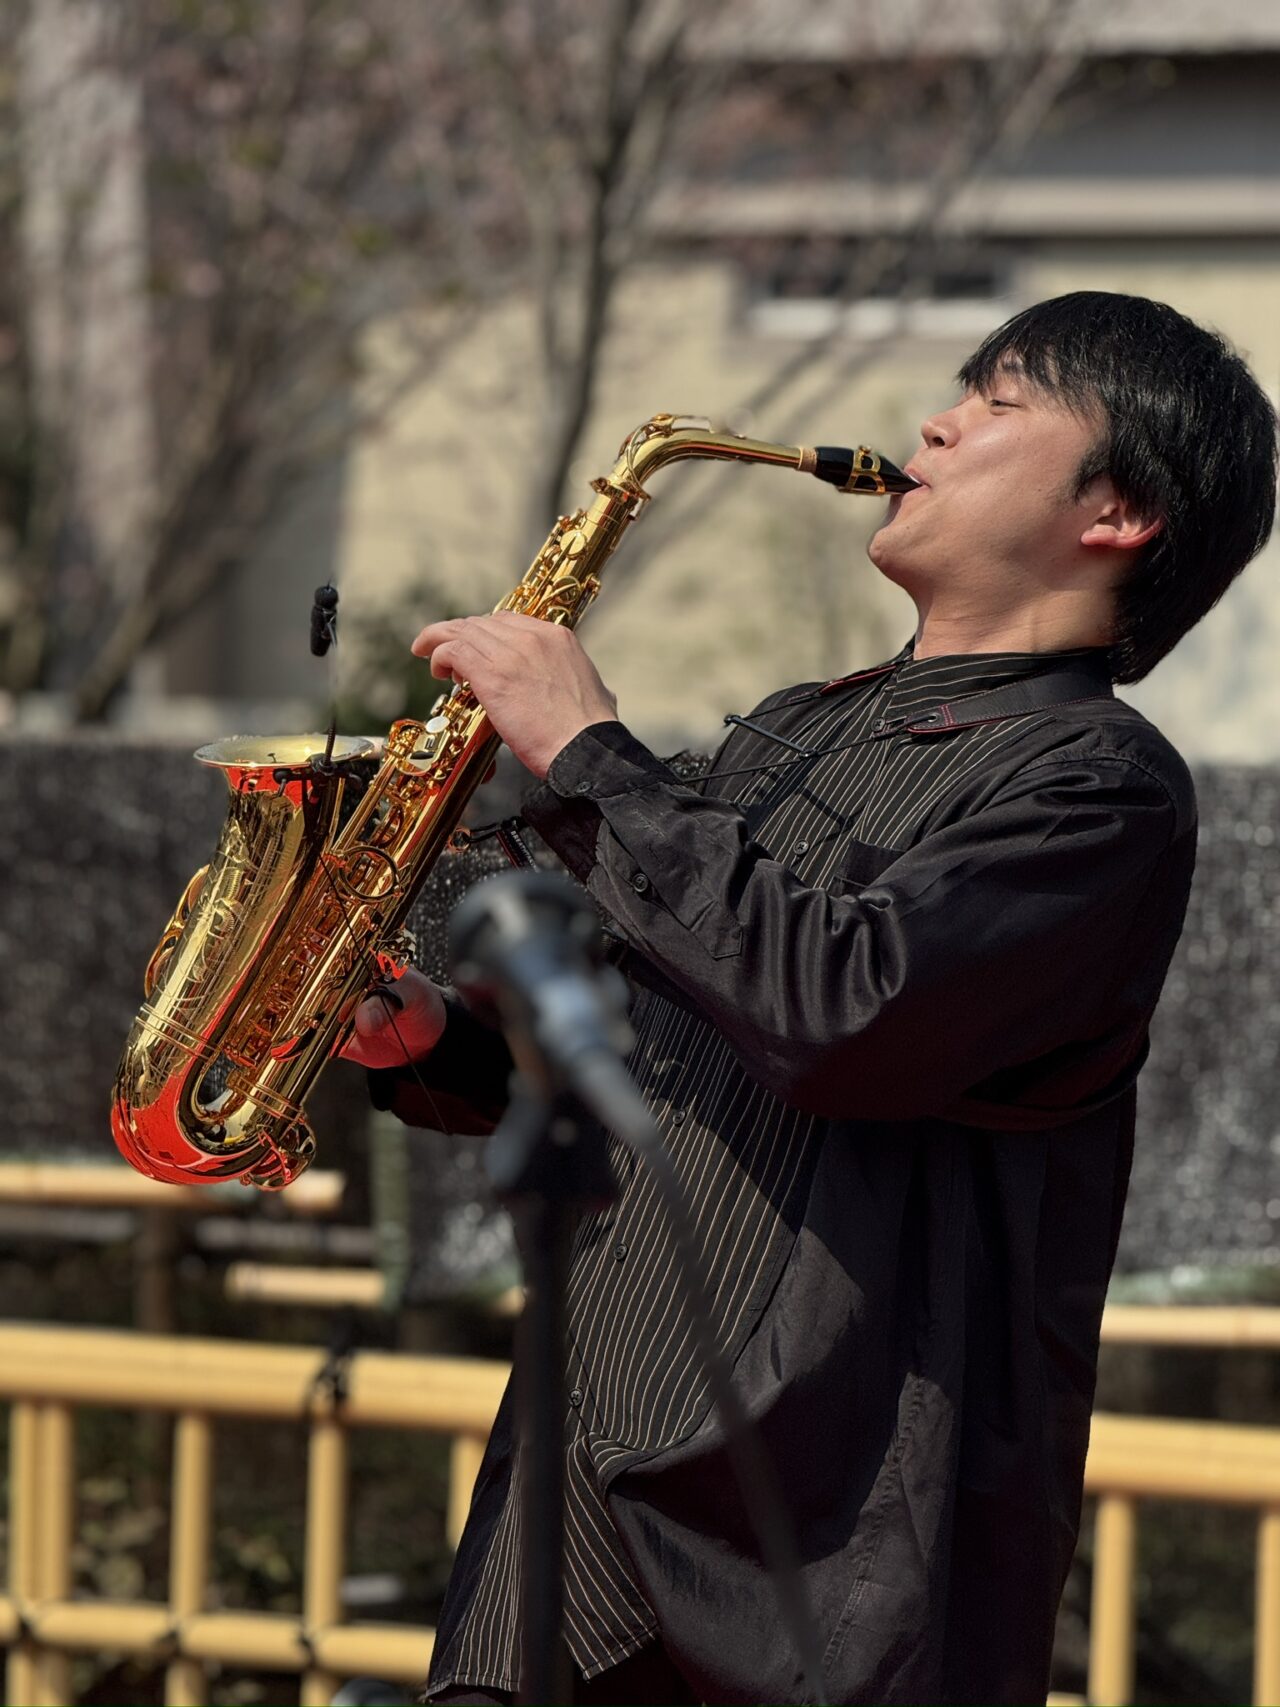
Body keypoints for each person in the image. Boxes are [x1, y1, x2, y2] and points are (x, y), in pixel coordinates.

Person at [342, 292, 1278, 1705]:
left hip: (818, 1570)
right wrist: (438, 1039)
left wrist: (592, 752)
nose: (935, 425)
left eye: (1001, 402)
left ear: (1122, 510)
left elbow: (848, 1016)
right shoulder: (795, 729)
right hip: (570, 1506)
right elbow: (642, 1046)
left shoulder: (1100, 786)